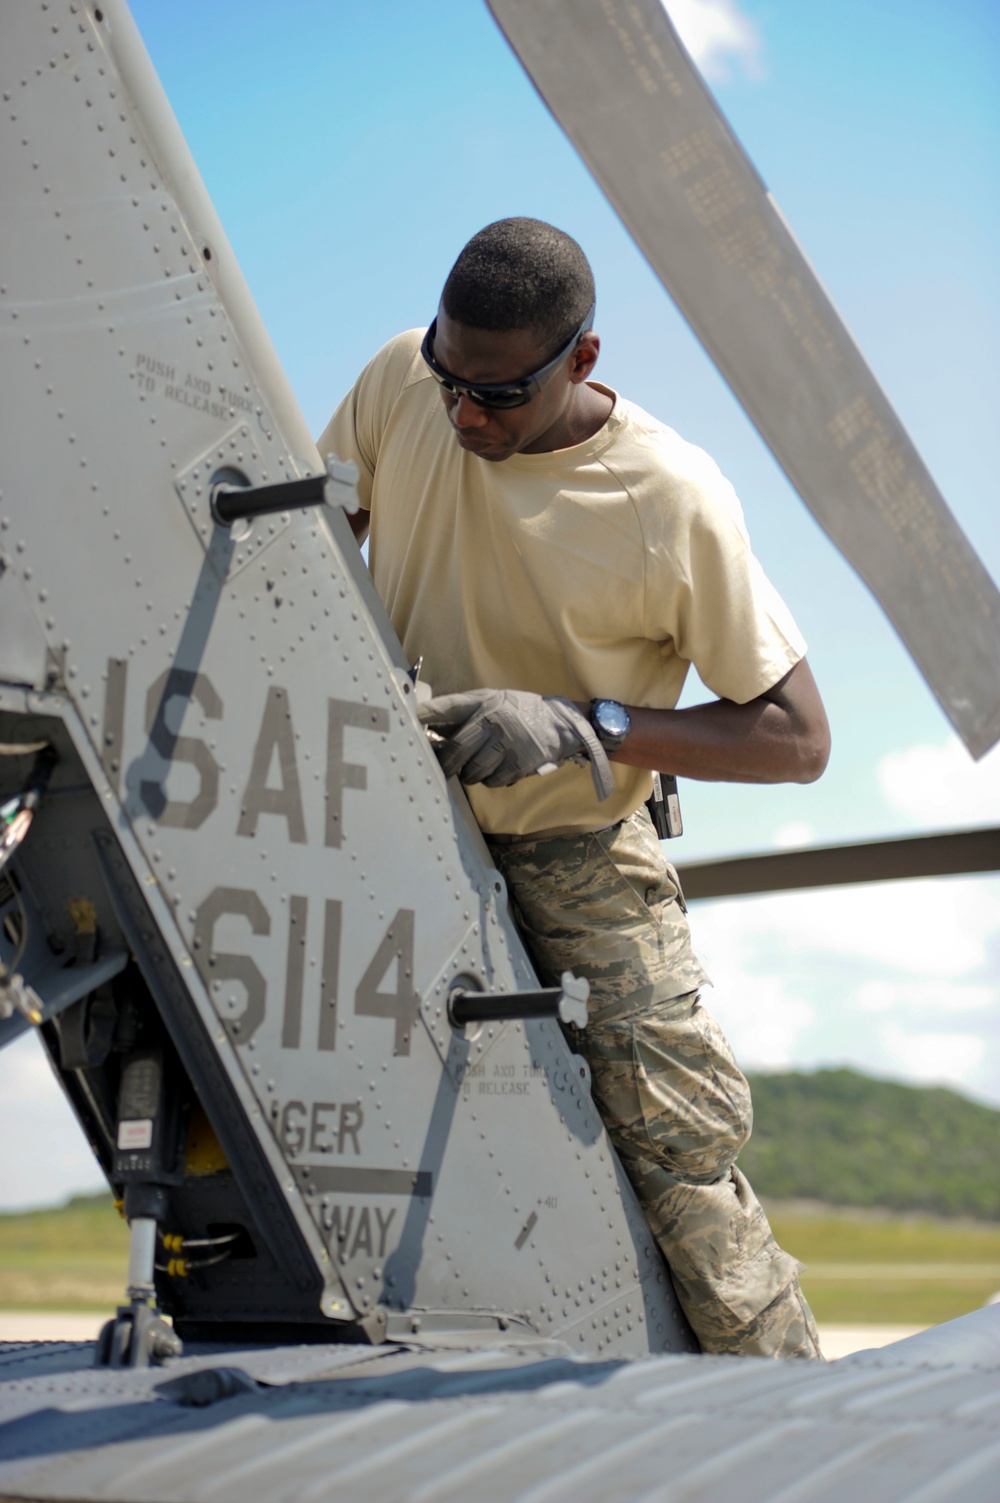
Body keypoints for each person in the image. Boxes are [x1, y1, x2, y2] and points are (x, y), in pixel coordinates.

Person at [317, 217, 831, 1359]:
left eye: (496, 398)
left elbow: (796, 740)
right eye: (449, 381)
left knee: (679, 1162)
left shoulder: (668, 498)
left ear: (582, 361)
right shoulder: (403, 379)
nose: (460, 418)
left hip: (575, 853)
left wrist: (575, 724)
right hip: (392, 820)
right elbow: (311, 548)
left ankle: (787, 1427)